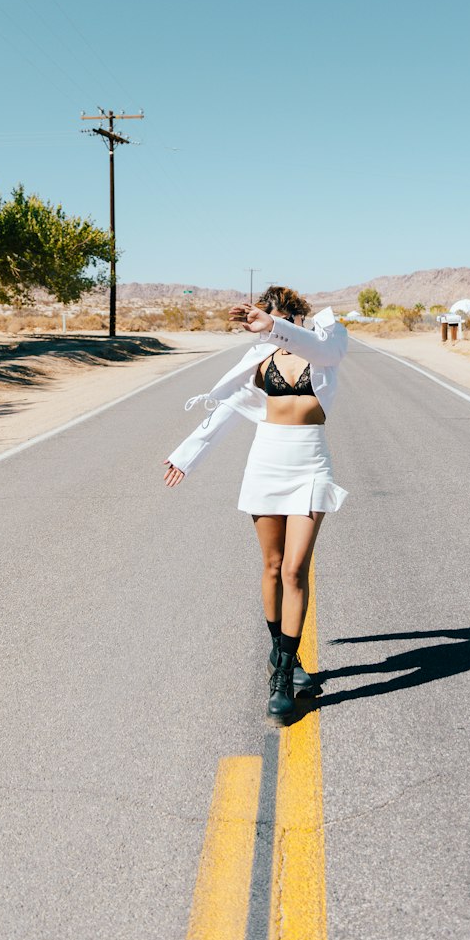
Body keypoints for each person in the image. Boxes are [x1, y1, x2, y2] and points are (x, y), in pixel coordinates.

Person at [163, 286, 349, 721]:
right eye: (262, 315)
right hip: (268, 458)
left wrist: (276, 328)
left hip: (310, 459)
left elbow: (327, 352)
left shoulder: (326, 335)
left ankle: (282, 675)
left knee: (294, 568)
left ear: (292, 314)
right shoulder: (259, 355)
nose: (264, 321)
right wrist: (186, 455)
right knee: (271, 565)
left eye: (273, 315)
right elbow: (228, 409)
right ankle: (282, 656)